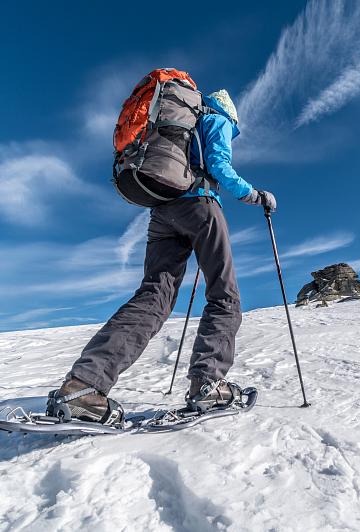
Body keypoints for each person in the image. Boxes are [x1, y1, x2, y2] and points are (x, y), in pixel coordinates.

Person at [47, 89, 276, 426]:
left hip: (162, 212)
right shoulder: (216, 119)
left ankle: (84, 387)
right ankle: (209, 385)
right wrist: (256, 196)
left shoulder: (171, 123)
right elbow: (219, 165)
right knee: (224, 296)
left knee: (154, 294)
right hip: (201, 206)